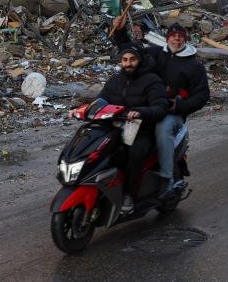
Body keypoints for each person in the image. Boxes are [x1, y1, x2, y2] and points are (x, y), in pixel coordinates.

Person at [112, 16, 210, 200]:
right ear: (167, 38)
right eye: (173, 36)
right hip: (148, 107)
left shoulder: (194, 66)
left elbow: (202, 95)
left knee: (162, 128)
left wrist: (179, 106)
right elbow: (132, 51)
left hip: (172, 113)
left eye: (180, 36)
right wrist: (119, 30)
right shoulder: (155, 53)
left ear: (185, 39)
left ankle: (167, 179)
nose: (176, 39)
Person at [71, 43, 169, 214]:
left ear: (140, 60)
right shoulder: (115, 81)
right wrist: (81, 110)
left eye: (132, 59)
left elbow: (161, 107)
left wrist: (140, 112)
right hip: (116, 127)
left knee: (134, 154)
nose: (128, 63)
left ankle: (128, 195)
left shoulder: (152, 80)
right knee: (95, 147)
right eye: (124, 60)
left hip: (142, 130)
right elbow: (100, 102)